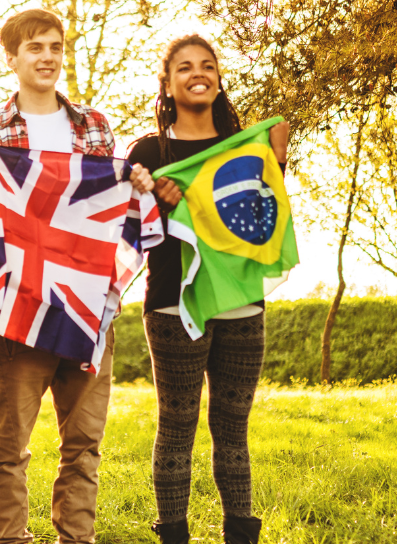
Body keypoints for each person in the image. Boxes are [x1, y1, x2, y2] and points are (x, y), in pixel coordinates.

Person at [0, 8, 117, 544]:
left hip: (85, 305)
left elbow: (105, 216)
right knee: (9, 447)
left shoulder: (93, 127)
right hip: (16, 307)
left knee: (84, 444)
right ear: (12, 58)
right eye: (34, 48)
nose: (46, 57)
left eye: (54, 47)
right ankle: (8, 537)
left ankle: (77, 537)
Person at [126, 34, 289, 544]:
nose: (198, 73)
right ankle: (174, 535)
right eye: (185, 68)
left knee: (233, 430)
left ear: (218, 78)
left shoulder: (245, 145)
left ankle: (240, 535)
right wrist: (153, 199)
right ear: (168, 84)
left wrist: (277, 165)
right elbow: (129, 229)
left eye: (208, 65)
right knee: (177, 425)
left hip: (243, 302)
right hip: (175, 306)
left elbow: (265, 222)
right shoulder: (149, 152)